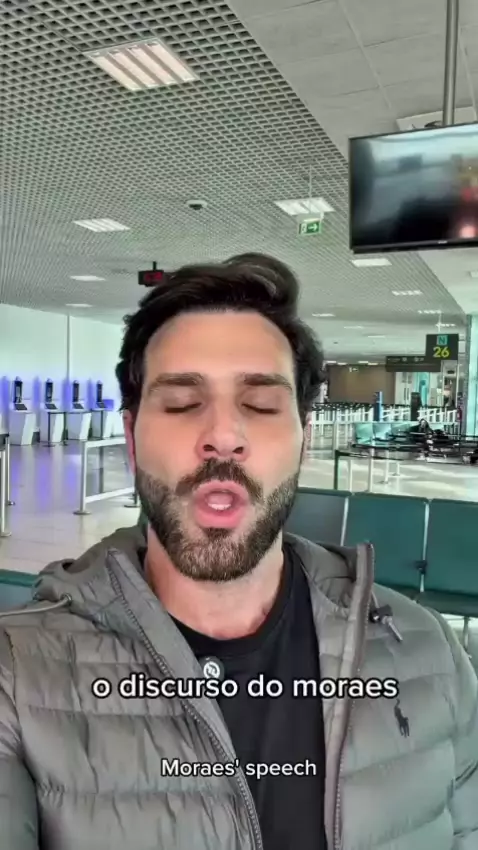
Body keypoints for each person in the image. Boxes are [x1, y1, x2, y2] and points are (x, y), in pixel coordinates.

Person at [0, 254, 477, 850]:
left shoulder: (430, 655)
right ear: (131, 439)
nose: (223, 435)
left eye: (261, 404)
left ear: (303, 441)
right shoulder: (17, 676)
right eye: (181, 402)